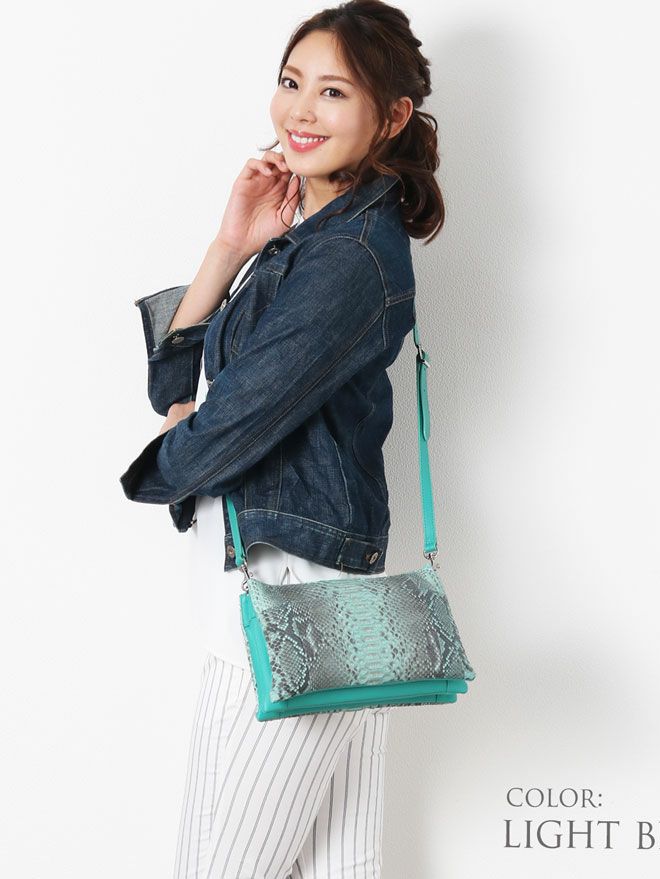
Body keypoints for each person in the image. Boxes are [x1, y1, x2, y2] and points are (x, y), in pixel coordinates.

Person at [119, 1, 445, 876]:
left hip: (292, 603)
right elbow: (172, 383)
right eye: (292, 82)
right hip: (326, 603)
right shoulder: (308, 235)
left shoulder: (350, 258)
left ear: (392, 116)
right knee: (340, 866)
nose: (300, 109)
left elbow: (228, 421)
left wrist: (167, 459)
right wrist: (232, 242)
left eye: (333, 91)